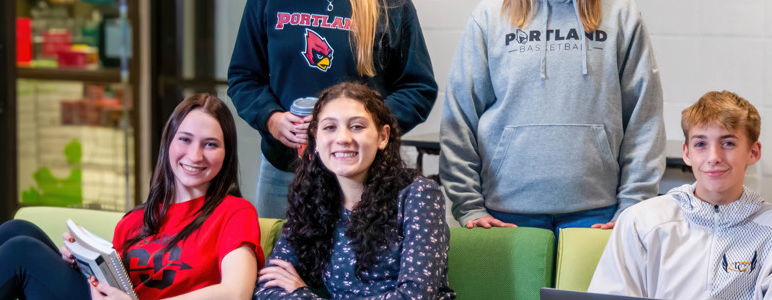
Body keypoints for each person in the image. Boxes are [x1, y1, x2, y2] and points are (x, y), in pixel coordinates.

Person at [0, 94, 261, 300]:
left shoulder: (233, 211)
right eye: (186, 139)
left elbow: (236, 291)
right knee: (16, 230)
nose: (195, 155)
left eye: (210, 144)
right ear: (168, 144)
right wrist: (80, 263)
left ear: (226, 153)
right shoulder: (136, 220)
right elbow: (112, 283)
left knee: (22, 252)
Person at [440, 0, 664, 232]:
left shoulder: (621, 13)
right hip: (504, 215)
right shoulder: (489, 15)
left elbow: (644, 115)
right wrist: (469, 205)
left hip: (599, 215)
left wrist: (633, 205)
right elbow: (460, 115)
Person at [588, 91, 772, 299]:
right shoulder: (640, 222)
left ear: (753, 152)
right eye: (701, 144)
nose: (713, 156)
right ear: (687, 153)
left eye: (727, 143)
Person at [228, 0, 438, 219]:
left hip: (361, 177)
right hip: (285, 172)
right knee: (278, 251)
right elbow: (243, 77)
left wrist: (366, 125)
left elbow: (418, 88)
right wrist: (271, 118)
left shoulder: (392, 5)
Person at [254, 82, 454, 299]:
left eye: (357, 126)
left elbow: (416, 296)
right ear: (315, 139)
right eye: (330, 127)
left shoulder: (418, 194)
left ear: (383, 137)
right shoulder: (314, 201)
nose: (343, 138)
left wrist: (305, 296)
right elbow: (267, 288)